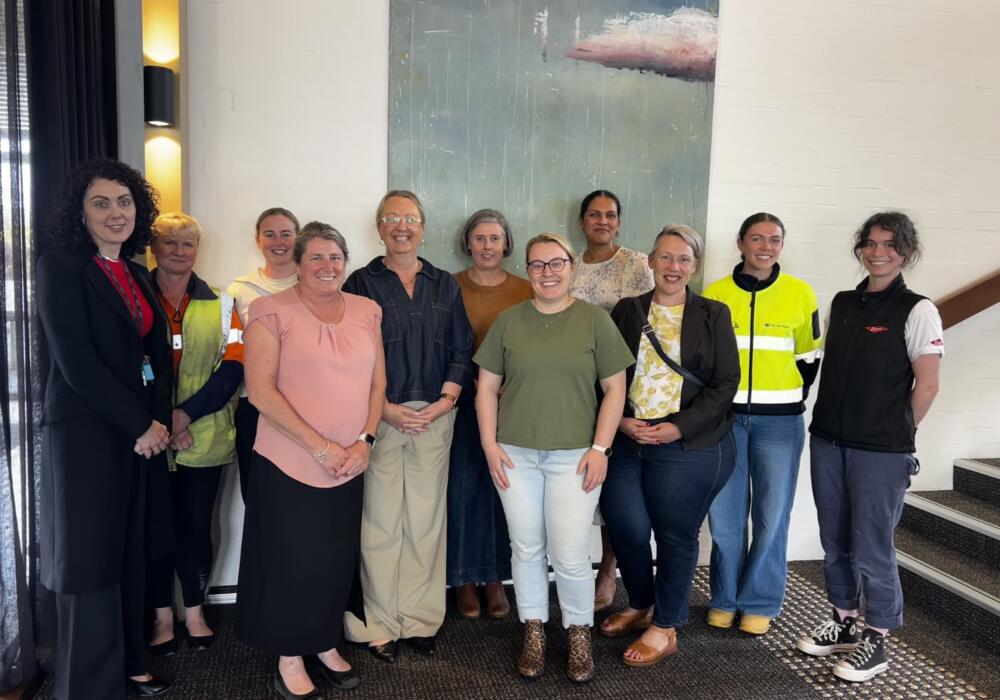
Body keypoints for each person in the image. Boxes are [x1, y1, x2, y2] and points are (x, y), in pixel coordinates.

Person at [37, 158, 173, 698]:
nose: (116, 213)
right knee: (90, 559)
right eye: (101, 203)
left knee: (130, 549)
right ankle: (90, 687)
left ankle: (131, 662)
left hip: (138, 437)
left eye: (124, 202)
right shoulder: (61, 267)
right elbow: (77, 361)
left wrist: (156, 421)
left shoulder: (135, 272)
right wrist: (141, 423)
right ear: (81, 212)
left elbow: (152, 356)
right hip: (86, 435)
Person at [236, 222, 386, 698]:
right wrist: (320, 447)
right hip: (288, 460)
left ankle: (323, 641)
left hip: (349, 462)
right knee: (290, 560)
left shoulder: (367, 310)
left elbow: (378, 385)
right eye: (316, 257)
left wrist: (364, 442)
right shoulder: (269, 310)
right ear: (297, 264)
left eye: (335, 257)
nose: (327, 266)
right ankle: (289, 654)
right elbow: (261, 392)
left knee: (333, 558)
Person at [475, 232, 633, 682]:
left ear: (571, 267)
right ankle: (534, 629)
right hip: (515, 456)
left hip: (576, 458)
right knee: (525, 547)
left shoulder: (594, 321)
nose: (547, 272)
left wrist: (601, 448)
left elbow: (615, 389)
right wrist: (489, 445)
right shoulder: (508, 322)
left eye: (556, 263)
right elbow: (486, 387)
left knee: (569, 551)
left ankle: (578, 631)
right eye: (538, 264)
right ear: (528, 270)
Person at [796, 211, 943, 683]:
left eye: (890, 245)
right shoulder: (842, 303)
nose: (879, 253)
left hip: (881, 452)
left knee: (872, 546)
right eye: (871, 243)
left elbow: (927, 385)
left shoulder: (918, 310)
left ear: (907, 252)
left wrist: (894, 434)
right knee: (835, 540)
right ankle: (843, 622)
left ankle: (876, 638)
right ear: (860, 247)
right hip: (828, 441)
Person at [598, 225, 739, 668]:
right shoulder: (628, 309)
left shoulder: (714, 314)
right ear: (650, 261)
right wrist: (620, 421)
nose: (673, 266)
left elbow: (726, 384)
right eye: (665, 257)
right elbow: (604, 371)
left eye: (683, 259)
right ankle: (642, 604)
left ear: (694, 266)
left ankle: (666, 625)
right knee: (626, 526)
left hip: (687, 444)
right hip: (629, 438)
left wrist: (679, 428)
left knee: (675, 535)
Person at [343, 191, 474, 662]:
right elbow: (349, 356)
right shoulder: (360, 282)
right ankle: (376, 623)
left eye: (411, 218)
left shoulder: (444, 284)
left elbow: (462, 349)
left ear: (423, 227)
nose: (402, 226)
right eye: (392, 218)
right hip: (378, 415)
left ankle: (419, 619)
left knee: (425, 522)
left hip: (435, 417)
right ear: (379, 227)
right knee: (378, 523)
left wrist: (445, 402)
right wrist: (383, 409)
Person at [703, 212, 822, 635]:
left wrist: (785, 396)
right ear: (741, 243)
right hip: (727, 421)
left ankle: (759, 602)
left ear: (781, 246)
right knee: (725, 516)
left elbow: (809, 358)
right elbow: (705, 360)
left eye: (774, 239)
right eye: (757, 238)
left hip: (780, 424)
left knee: (772, 515)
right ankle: (724, 598)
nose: (765, 247)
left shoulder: (800, 293)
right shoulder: (715, 294)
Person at [146, 212, 244, 654]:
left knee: (196, 527)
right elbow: (126, 364)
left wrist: (185, 416)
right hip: (147, 437)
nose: (179, 251)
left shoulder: (223, 303)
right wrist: (164, 422)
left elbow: (233, 367)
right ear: (153, 248)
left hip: (204, 437)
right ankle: (161, 616)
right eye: (169, 242)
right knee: (154, 529)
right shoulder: (135, 297)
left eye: (188, 244)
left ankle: (194, 612)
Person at [569, 189, 654, 611]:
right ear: (582, 222)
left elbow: (653, 323)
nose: (602, 221)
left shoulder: (637, 264)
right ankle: (573, 565)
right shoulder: (567, 265)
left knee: (614, 485)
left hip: (621, 382)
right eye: (594, 214)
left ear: (618, 222)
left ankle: (608, 567)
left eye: (610, 215)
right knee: (580, 477)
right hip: (573, 385)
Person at [448, 209, 532, 620]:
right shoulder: (449, 286)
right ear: (468, 242)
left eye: (495, 238)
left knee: (504, 490)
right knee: (463, 491)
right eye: (479, 238)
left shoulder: (525, 289)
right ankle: (464, 578)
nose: (487, 246)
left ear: (506, 244)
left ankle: (495, 577)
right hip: (460, 401)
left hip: (511, 404)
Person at [226, 207, 300, 502]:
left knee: (298, 491)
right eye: (270, 234)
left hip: (304, 403)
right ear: (258, 240)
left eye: (286, 234)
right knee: (257, 493)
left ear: (298, 238)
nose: (278, 241)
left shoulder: (314, 285)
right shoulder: (239, 290)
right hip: (254, 403)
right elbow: (230, 351)